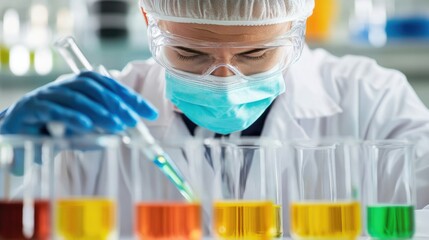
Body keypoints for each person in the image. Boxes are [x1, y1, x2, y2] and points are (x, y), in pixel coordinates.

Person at [1, 0, 429, 236]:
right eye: (190, 53)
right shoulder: (88, 116)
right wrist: (5, 150)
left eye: (255, 54)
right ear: (151, 20)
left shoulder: (370, 99)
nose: (224, 78)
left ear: (297, 29)